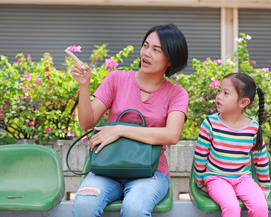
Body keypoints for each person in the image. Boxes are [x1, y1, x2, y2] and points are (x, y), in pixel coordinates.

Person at [68, 24, 189, 217]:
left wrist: (120, 129)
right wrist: (84, 86)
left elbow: (171, 135)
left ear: (170, 59)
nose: (146, 53)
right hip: (107, 170)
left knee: (135, 207)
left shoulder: (177, 94)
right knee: (84, 204)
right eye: (145, 45)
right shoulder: (116, 79)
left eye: (156, 50)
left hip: (151, 174)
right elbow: (86, 123)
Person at [193, 73, 271, 217]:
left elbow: (261, 160)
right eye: (219, 91)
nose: (219, 96)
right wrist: (200, 181)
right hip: (216, 177)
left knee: (260, 207)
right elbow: (200, 155)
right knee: (232, 208)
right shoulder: (210, 124)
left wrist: (265, 187)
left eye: (226, 93)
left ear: (243, 102)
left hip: (243, 178)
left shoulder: (253, 128)